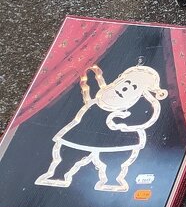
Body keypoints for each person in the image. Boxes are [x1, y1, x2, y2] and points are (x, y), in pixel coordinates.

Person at [35, 63, 168, 193]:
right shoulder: (102, 97)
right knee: (70, 154)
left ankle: (112, 180)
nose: (125, 89)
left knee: (114, 161)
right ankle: (59, 174)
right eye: (126, 83)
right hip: (85, 134)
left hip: (117, 140)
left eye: (133, 87)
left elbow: (145, 116)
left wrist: (121, 122)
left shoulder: (138, 106)